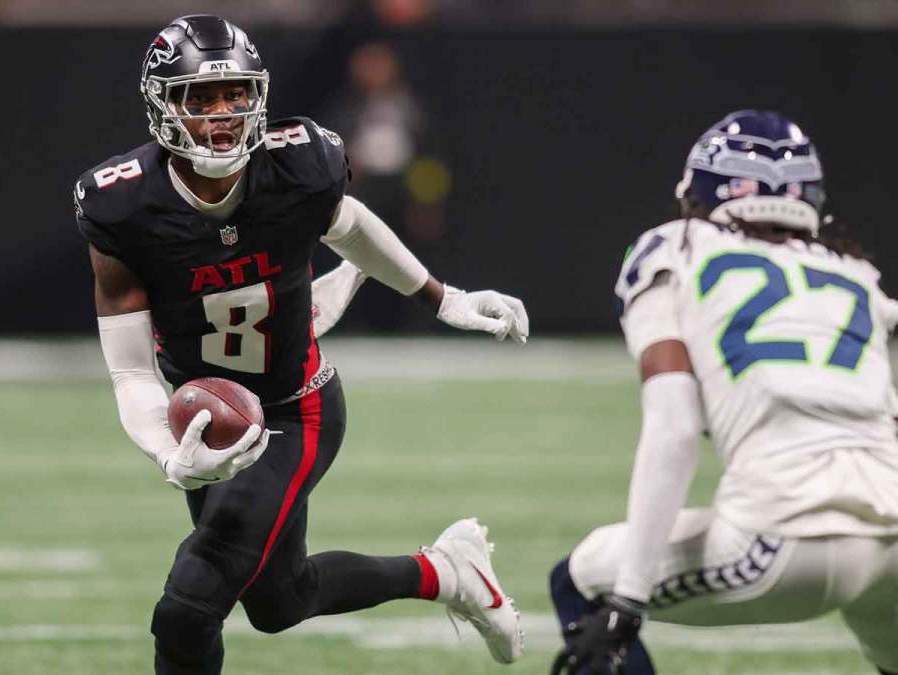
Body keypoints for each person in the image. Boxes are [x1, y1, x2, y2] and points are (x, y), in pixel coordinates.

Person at [73, 15, 528, 674]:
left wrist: (442, 296)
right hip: (211, 419)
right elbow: (130, 370)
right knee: (281, 600)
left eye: (234, 93)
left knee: (189, 602)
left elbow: (350, 226)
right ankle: (447, 572)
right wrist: (171, 454)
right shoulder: (123, 206)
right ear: (162, 105)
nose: (223, 113)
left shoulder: (297, 163)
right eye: (200, 97)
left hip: (295, 406)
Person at [548, 110, 898, 675]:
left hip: (784, 536)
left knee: (581, 580)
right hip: (892, 529)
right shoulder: (855, 274)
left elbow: (675, 427)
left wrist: (629, 599)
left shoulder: (674, 250)